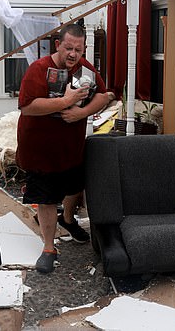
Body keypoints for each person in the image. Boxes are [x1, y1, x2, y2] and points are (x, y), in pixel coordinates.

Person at [16, 23, 110, 273]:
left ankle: (67, 220)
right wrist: (66, 102)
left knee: (74, 187)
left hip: (70, 148)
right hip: (40, 150)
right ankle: (49, 247)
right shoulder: (38, 69)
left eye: (78, 50)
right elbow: (27, 106)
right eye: (68, 48)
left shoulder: (86, 70)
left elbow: (104, 95)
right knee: (46, 198)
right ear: (58, 45)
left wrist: (82, 112)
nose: (73, 54)